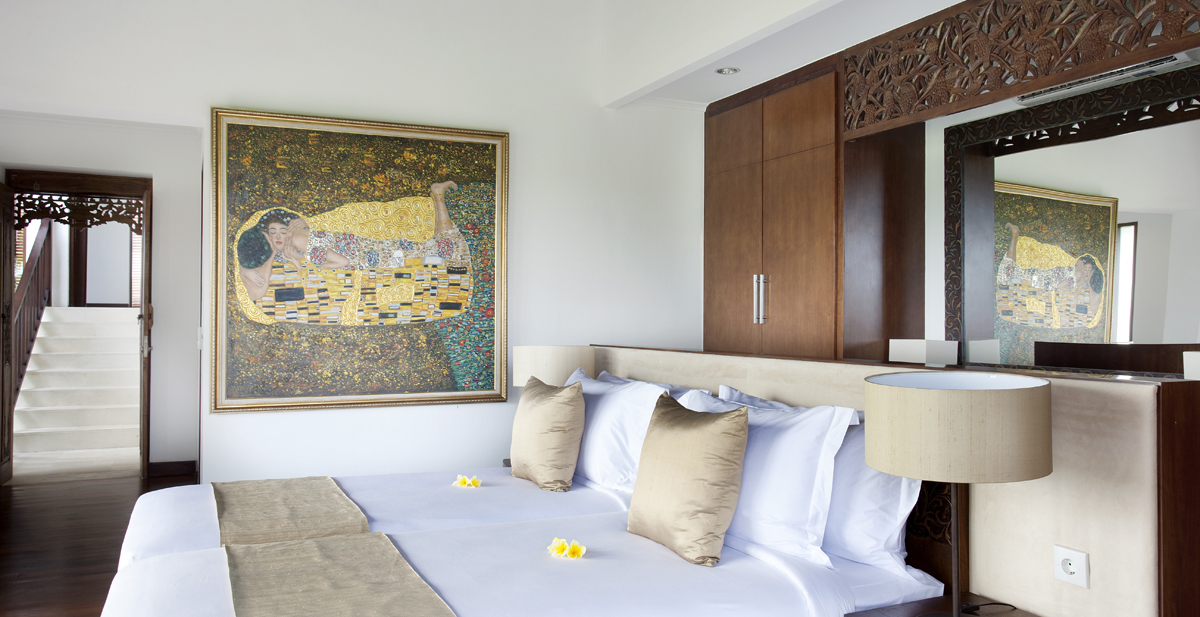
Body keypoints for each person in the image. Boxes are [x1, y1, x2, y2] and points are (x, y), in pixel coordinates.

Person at [996, 222, 1104, 327]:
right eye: (1084, 268)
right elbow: (1060, 285)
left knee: (1011, 272)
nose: (1085, 271)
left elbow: (1062, 286)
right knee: (1011, 272)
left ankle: (1015, 234)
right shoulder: (1075, 277)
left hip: (1044, 279)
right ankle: (1015, 234)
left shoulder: (1079, 281)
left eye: (1088, 270)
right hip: (1045, 279)